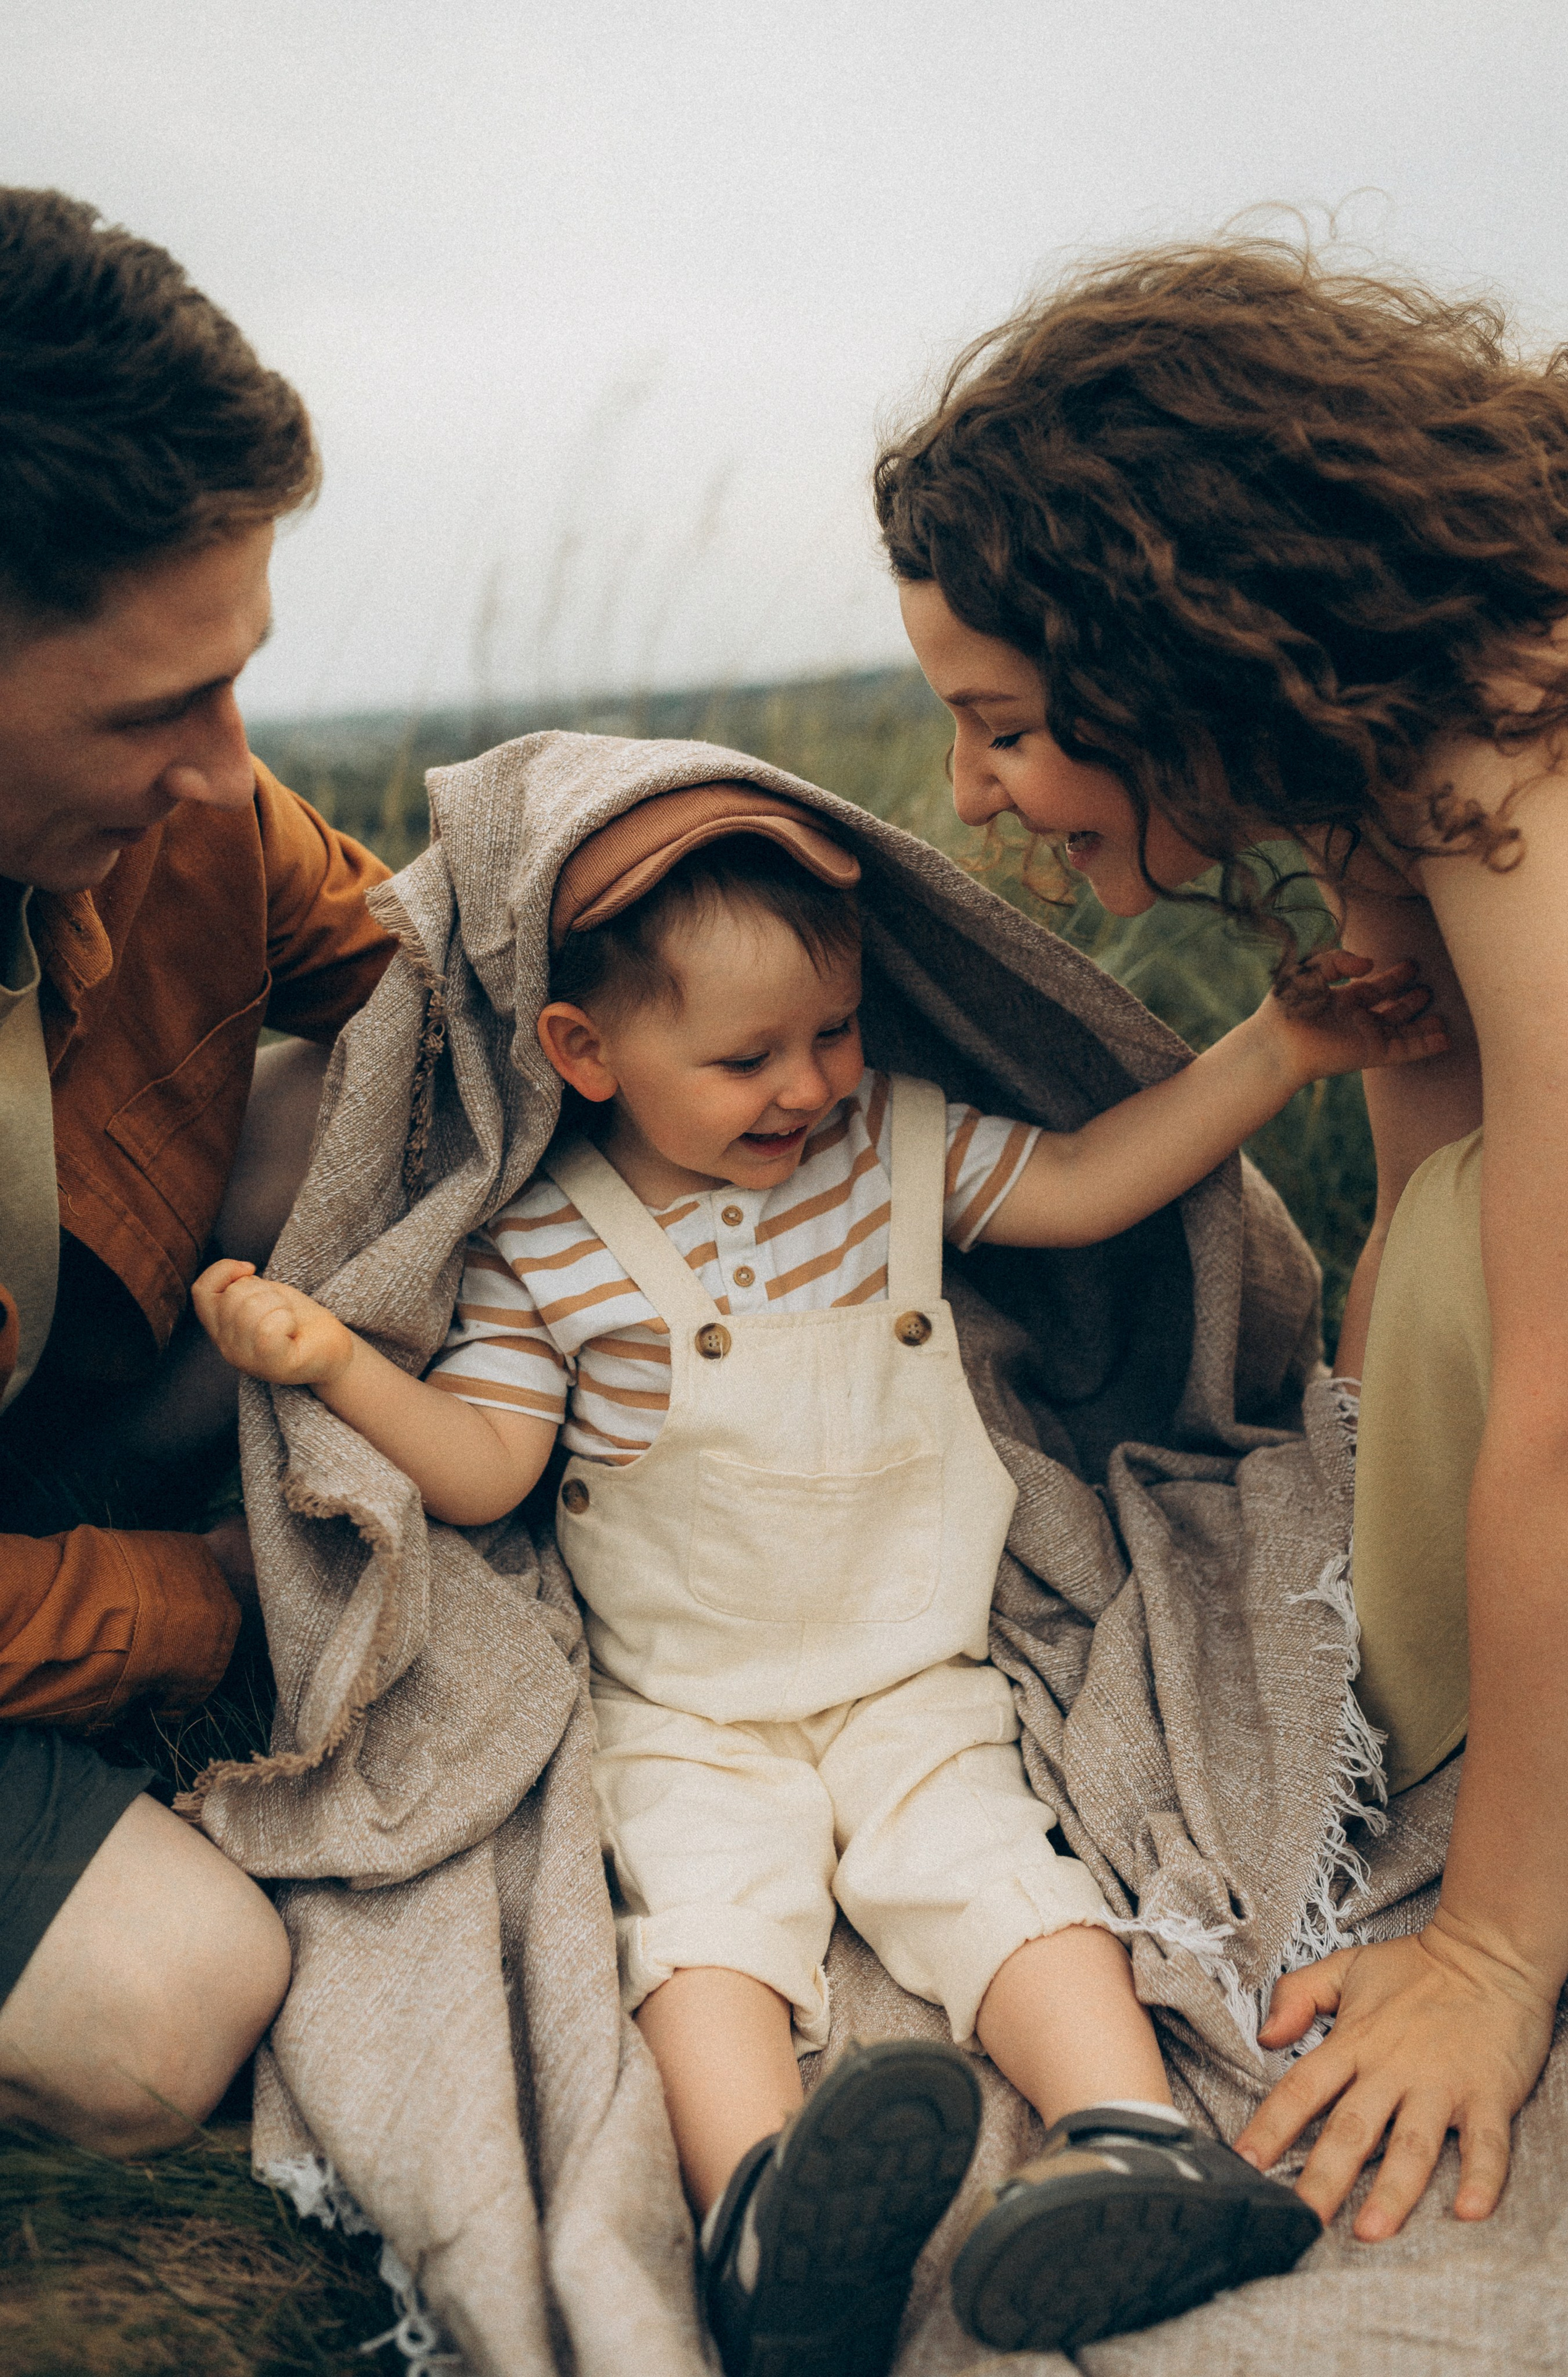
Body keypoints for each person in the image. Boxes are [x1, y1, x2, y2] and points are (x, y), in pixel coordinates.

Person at [194, 784, 1441, 2366]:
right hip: (686, 1699)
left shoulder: (888, 1151)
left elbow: (1084, 1185)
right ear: (582, 1054)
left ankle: (1132, 2137)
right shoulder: (548, 1247)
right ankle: (763, 2210)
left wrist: (1273, 1049)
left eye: (833, 1033)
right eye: (744, 1060)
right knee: (706, 1920)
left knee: (994, 1870)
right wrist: (336, 1367)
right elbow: (487, 1468)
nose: (804, 1086)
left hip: (913, 1663)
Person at [876, 233, 1568, 2251]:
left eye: (1002, 720)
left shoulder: (1513, 758)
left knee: (1471, 1250)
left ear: (1151, 649)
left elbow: (1558, 1385)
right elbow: (1411, 1283)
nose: (972, 791)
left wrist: (1498, 1945)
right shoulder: (1382, 750)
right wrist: (1343, 1619)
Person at [0, 188, 395, 2154]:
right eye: (159, 707)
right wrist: (216, 1608)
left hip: (44, 1429)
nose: (233, 765)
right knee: (172, 2016)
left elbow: (451, 982)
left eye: (236, 678)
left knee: (385, 1090)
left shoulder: (195, 815)